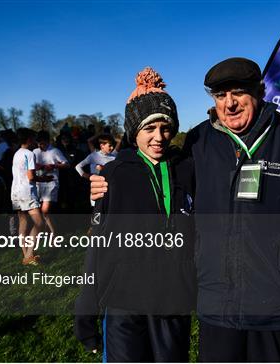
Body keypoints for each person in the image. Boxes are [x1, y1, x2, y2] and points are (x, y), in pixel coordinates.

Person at [90, 58, 280, 361]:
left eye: (238, 93)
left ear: (259, 91)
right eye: (220, 96)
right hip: (215, 301)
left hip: (277, 301)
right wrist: (110, 178)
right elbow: (155, 164)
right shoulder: (200, 140)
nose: (230, 103)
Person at [75, 67, 196, 362]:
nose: (159, 137)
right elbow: (98, 245)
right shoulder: (114, 174)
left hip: (173, 301)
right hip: (124, 302)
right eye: (149, 129)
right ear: (133, 132)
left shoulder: (187, 169)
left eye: (166, 128)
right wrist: (86, 309)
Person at [11, 128, 52, 265]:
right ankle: (29, 255)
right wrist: (44, 179)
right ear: (29, 139)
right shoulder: (29, 154)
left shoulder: (17, 153)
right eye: (33, 138)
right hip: (26, 192)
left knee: (23, 223)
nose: (35, 141)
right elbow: (31, 177)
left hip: (15, 192)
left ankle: (26, 255)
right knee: (39, 223)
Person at [33, 130, 70, 234]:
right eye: (38, 143)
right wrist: (37, 166)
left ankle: (53, 233)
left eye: (42, 143)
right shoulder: (35, 152)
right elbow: (30, 166)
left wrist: (54, 166)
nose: (40, 145)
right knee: (42, 211)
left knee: (45, 210)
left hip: (51, 182)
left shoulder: (55, 151)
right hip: (39, 182)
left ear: (47, 141)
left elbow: (67, 164)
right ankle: (49, 231)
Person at [75, 134, 117, 207]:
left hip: (110, 188)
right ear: (102, 146)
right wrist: (86, 175)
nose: (112, 148)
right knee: (96, 212)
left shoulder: (114, 157)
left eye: (112, 145)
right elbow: (78, 166)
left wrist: (104, 169)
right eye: (109, 145)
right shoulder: (94, 156)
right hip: (96, 188)